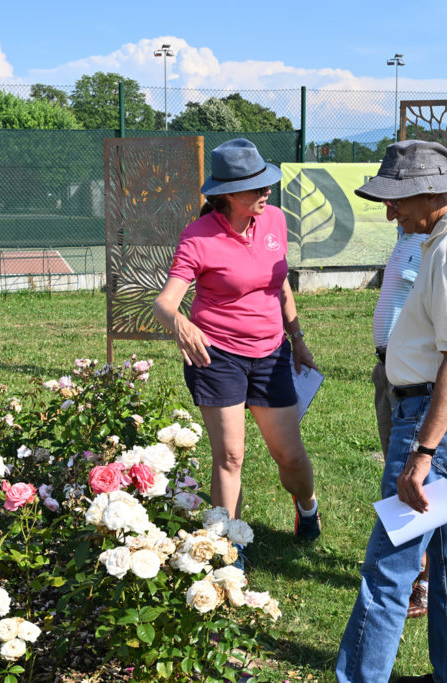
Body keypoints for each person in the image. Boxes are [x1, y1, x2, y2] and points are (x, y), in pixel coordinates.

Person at [336, 140, 447, 683]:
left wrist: (423, 452)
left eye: (396, 199)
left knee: (389, 567)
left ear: (430, 192)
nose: (390, 211)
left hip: (437, 416)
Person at [152, 138, 322, 544]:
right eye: (256, 186)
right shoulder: (198, 236)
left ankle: (307, 506)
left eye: (267, 184)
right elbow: (164, 304)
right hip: (217, 355)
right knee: (230, 457)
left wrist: (297, 338)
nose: (267, 191)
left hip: (271, 353)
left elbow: (279, 285)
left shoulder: (275, 221)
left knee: (290, 455)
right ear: (227, 194)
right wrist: (181, 323)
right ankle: (226, 546)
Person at [373, 221, 430, 620]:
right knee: (400, 476)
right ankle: (415, 573)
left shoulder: (437, 243)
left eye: (394, 195)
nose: (389, 207)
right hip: (390, 373)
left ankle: (420, 579)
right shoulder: (407, 235)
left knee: (414, 481)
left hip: (416, 381)